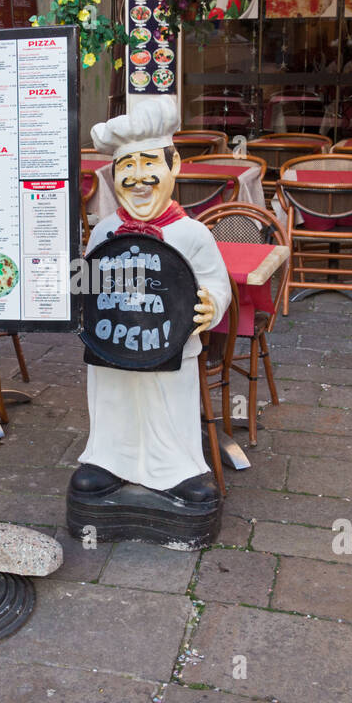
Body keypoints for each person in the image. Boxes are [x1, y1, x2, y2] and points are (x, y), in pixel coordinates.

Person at [68, 97, 232, 547]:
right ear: (113, 175)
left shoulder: (192, 233)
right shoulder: (103, 231)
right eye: (126, 166)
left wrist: (210, 305)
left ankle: (176, 471)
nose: (138, 177)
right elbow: (88, 279)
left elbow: (218, 282)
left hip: (169, 346)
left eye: (148, 163)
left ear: (173, 165)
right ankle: (107, 461)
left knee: (167, 408)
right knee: (113, 403)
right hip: (112, 344)